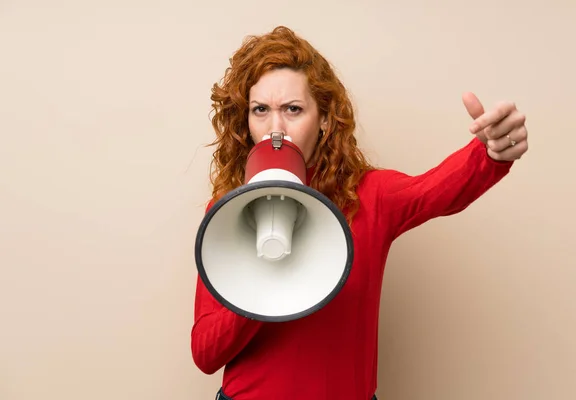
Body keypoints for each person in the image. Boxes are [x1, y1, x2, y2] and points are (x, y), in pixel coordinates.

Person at [190, 26, 529, 400]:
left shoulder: (368, 195)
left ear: (323, 119)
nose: (277, 129)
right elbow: (206, 353)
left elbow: (438, 190)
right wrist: (262, 274)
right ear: (246, 123)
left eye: (293, 109)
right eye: (260, 111)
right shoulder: (228, 211)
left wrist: (490, 153)